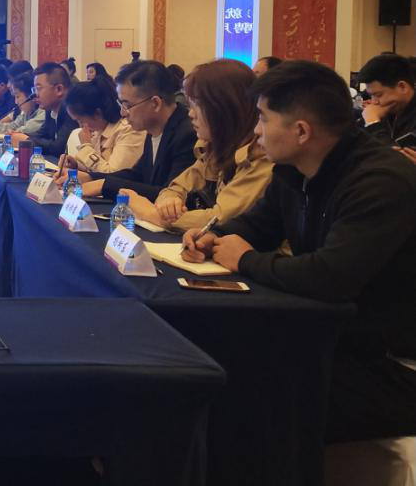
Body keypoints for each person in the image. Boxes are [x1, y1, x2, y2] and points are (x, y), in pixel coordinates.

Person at [182, 60, 416, 443]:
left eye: (263, 118)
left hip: (392, 366)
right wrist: (214, 236)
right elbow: (258, 226)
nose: (256, 131)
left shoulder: (380, 182)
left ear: (302, 131)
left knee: (246, 389)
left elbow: (330, 277)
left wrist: (244, 259)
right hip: (336, 339)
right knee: (211, 356)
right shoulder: (295, 170)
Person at [127, 59, 273, 232]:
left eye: (198, 105)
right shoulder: (214, 147)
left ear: (226, 109)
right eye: (191, 105)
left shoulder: (261, 157)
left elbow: (220, 218)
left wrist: (151, 213)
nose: (191, 113)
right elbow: (178, 185)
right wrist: (169, 200)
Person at [81, 60, 197, 201]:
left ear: (155, 103)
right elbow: (137, 175)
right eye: (121, 105)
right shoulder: (153, 128)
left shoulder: (188, 135)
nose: (123, 113)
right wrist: (89, 177)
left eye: (127, 105)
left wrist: (104, 185)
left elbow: (169, 195)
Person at [57, 77, 145, 175]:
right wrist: (76, 165)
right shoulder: (99, 129)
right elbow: (97, 167)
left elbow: (114, 175)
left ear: (97, 114)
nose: (80, 126)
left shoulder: (129, 130)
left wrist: (85, 147)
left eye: (80, 120)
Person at [358, 53, 416, 164]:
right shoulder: (386, 112)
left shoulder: (375, 118)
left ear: (402, 87)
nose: (374, 101)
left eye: (378, 95)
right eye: (371, 95)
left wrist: (373, 123)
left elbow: (393, 163)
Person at [29, 62, 77, 158]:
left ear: (59, 89)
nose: (35, 95)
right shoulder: (50, 109)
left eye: (39, 88)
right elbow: (40, 134)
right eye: (34, 89)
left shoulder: (72, 108)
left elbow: (59, 147)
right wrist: (21, 137)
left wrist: (26, 140)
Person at [0, 72, 45, 141]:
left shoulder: (44, 112)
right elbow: (12, 126)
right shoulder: (27, 112)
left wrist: (12, 133)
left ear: (31, 95)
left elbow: (25, 130)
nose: (16, 102)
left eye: (17, 96)